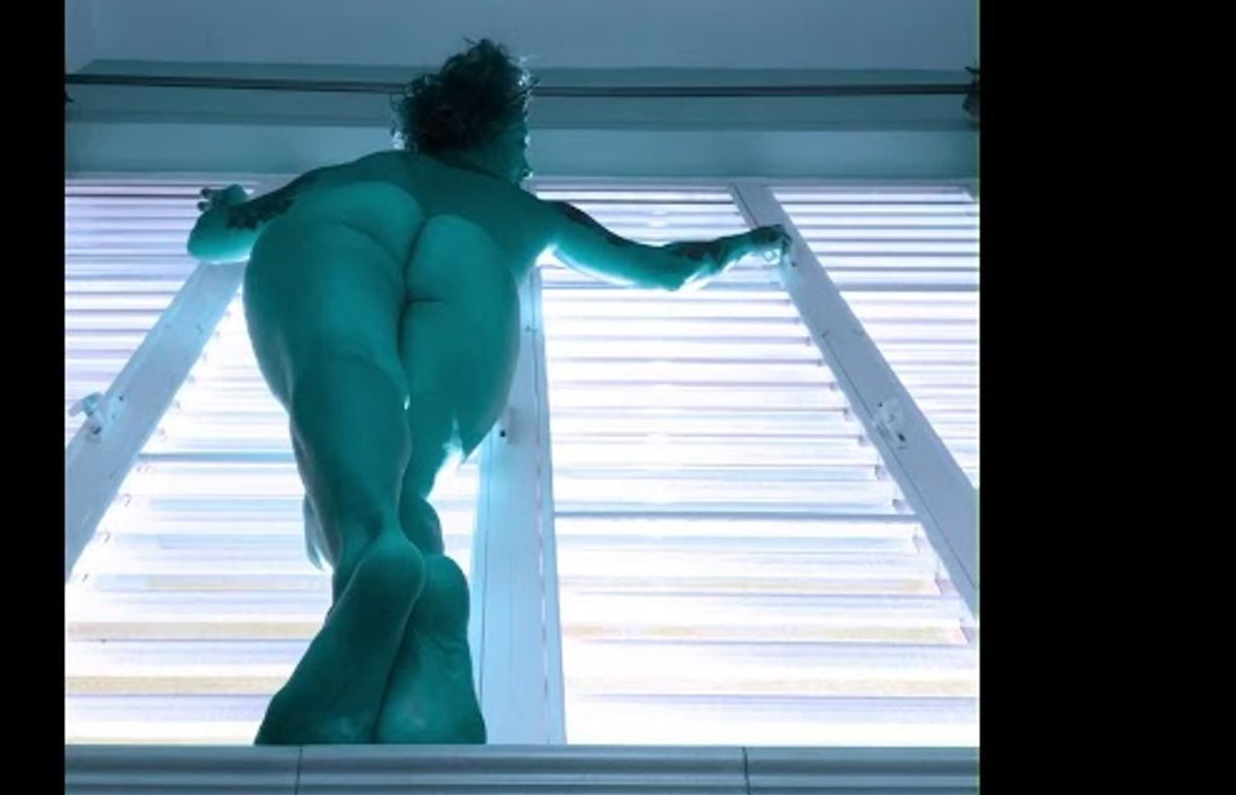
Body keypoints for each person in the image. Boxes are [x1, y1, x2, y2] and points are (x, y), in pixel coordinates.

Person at [187, 38, 787, 745]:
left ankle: (370, 548)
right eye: (523, 140)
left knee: (348, 378)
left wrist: (229, 200)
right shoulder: (533, 211)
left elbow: (212, 241)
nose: (529, 163)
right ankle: (422, 588)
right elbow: (668, 270)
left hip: (341, 224)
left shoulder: (343, 176)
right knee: (411, 484)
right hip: (475, 256)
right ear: (489, 127)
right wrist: (748, 245)